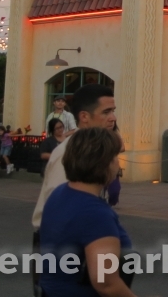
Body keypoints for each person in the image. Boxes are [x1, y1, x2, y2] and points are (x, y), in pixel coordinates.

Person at [39, 127, 138, 297]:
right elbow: (106, 283)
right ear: (102, 163)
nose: (118, 163)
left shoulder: (60, 192)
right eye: (114, 157)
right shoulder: (95, 214)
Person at [33, 84, 116, 230]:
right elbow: (58, 206)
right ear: (84, 116)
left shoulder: (95, 148)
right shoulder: (68, 152)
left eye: (113, 111)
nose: (113, 118)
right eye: (106, 112)